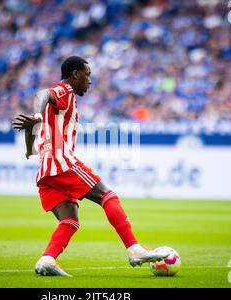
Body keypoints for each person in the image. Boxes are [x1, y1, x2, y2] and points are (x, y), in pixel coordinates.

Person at [13, 56, 168, 277]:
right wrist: (37, 116)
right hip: (62, 163)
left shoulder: (62, 101)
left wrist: (29, 149)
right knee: (108, 195)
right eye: (88, 74)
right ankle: (134, 249)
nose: (90, 80)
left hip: (46, 171)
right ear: (75, 74)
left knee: (70, 220)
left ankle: (47, 260)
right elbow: (42, 94)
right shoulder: (64, 90)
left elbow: (33, 126)